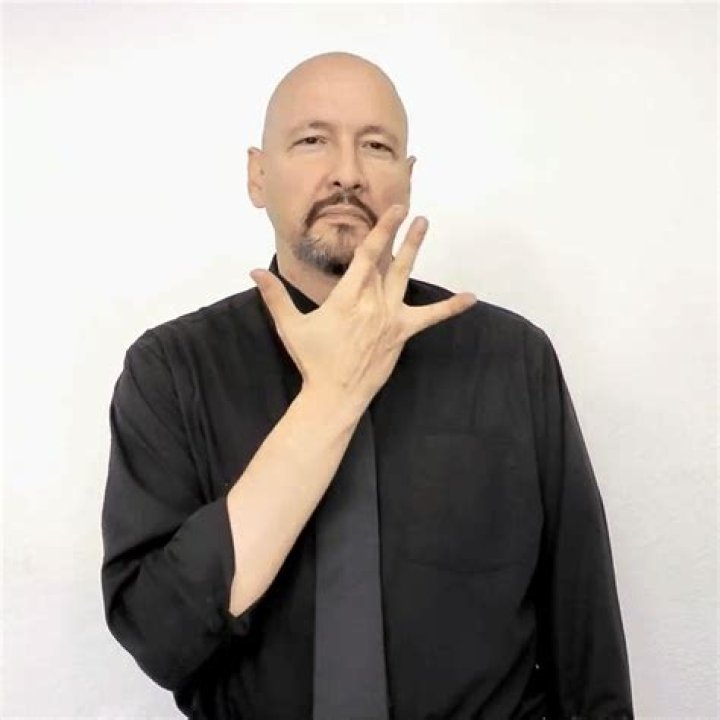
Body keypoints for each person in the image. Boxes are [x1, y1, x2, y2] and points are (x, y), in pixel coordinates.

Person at [101, 51, 634, 719]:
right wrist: (331, 399)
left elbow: (585, 638)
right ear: (258, 175)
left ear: (406, 179)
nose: (347, 173)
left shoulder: (511, 360)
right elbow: (160, 635)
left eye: (376, 146)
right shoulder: (171, 370)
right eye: (312, 140)